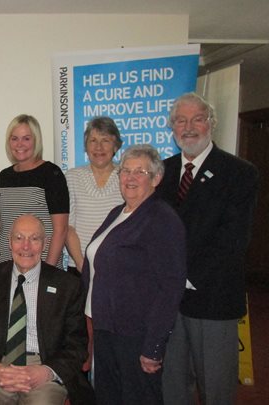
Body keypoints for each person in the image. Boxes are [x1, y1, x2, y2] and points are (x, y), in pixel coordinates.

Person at [157, 93, 259, 405]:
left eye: (197, 119)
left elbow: (233, 240)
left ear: (211, 124)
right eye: (180, 121)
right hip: (170, 304)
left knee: (216, 388)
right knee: (172, 387)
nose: (188, 127)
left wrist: (182, 274)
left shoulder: (239, 173)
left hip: (213, 300)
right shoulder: (162, 171)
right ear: (172, 128)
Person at [82, 144, 186, 405]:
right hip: (107, 329)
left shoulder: (162, 218)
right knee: (108, 397)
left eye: (139, 172)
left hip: (135, 335)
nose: (129, 178)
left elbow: (171, 287)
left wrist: (153, 347)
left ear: (156, 178)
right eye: (125, 171)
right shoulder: (117, 213)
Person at [0, 214, 95, 405]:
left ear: (44, 243)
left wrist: (47, 371)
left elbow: (77, 344)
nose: (26, 246)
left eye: (34, 238)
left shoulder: (67, 286)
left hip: (43, 370)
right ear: (9, 242)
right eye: (19, 238)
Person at [0, 114, 69, 269]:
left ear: (36, 141)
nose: (19, 144)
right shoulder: (4, 176)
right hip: (5, 264)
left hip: (39, 263)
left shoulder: (51, 174)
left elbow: (60, 230)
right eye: (14, 138)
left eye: (26, 138)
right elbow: (3, 223)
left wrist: (48, 270)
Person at [65, 116, 123, 273]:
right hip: (79, 267)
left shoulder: (126, 177)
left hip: (117, 267)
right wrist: (81, 264)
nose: (99, 147)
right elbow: (68, 227)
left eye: (105, 140)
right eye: (93, 141)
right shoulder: (72, 177)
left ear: (116, 146)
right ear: (86, 146)